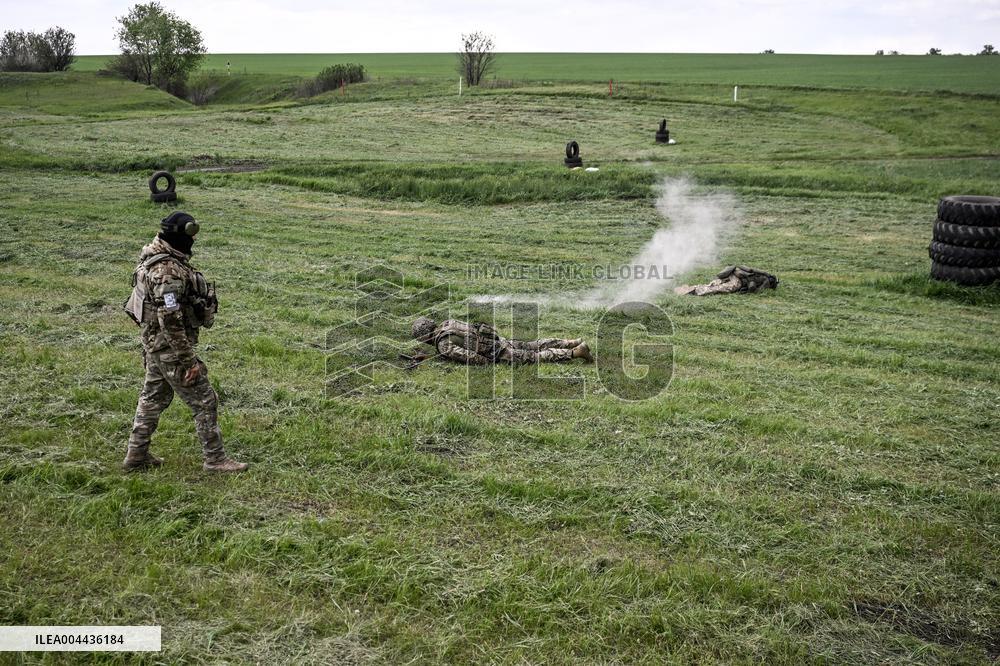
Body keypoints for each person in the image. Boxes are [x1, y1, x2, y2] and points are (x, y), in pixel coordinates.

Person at [122, 211, 248, 473]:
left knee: (152, 399)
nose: (194, 241)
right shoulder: (167, 272)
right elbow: (170, 321)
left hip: (155, 345)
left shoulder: (155, 256)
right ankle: (215, 459)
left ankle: (136, 456)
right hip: (170, 348)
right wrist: (189, 361)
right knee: (205, 400)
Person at [411, 317, 594, 365]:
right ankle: (572, 341)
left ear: (424, 337)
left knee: (534, 357)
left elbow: (468, 356)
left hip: (496, 352)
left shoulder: (443, 344)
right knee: (534, 344)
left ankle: (577, 352)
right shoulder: (448, 323)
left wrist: (487, 363)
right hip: (498, 340)